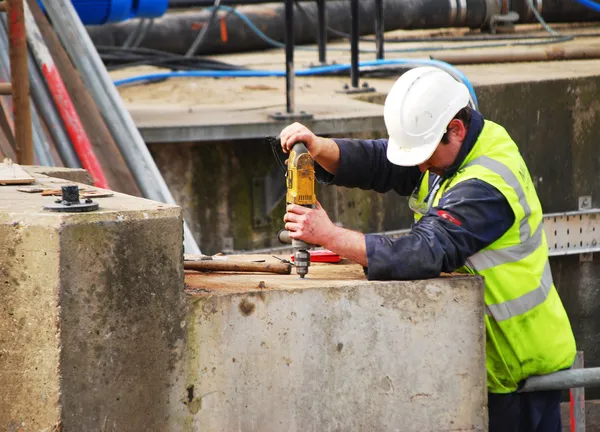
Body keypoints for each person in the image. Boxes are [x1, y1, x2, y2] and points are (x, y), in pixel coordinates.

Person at [279, 66, 576, 431]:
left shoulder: (487, 184)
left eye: (425, 155)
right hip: (484, 357)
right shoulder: (452, 150)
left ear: (456, 129)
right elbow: (383, 162)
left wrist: (331, 236)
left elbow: (425, 251)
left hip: (520, 367)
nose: (420, 166)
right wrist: (322, 147)